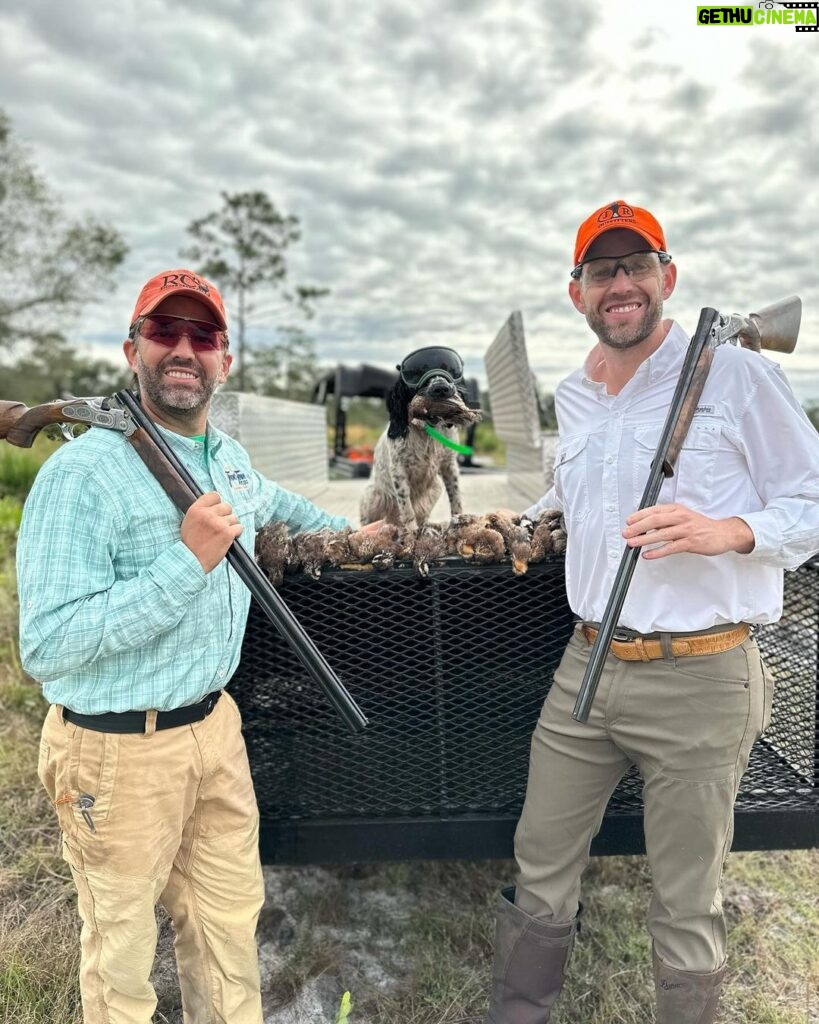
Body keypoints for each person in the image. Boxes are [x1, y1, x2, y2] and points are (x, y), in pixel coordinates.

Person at [483, 201, 819, 1023]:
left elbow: (810, 498)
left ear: (666, 280)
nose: (620, 284)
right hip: (585, 671)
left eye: (637, 267)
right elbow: (572, 492)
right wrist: (525, 520)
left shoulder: (735, 374)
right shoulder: (575, 392)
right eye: (602, 271)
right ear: (578, 294)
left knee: (685, 897)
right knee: (540, 861)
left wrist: (729, 530)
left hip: (702, 677)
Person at [16, 269, 375, 1024]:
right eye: (164, 331)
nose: (185, 348)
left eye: (202, 335)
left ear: (225, 359)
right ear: (131, 348)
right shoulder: (79, 474)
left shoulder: (229, 458)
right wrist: (186, 563)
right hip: (115, 752)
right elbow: (47, 647)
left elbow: (281, 505)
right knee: (119, 957)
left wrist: (354, 536)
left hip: (216, 731)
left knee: (227, 928)